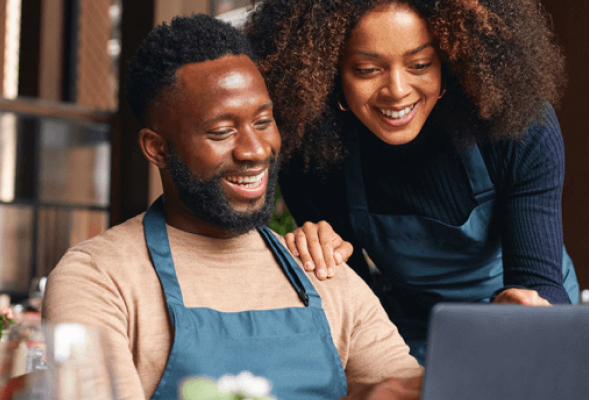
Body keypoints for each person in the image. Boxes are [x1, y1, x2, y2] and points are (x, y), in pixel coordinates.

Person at [43, 14, 422, 400]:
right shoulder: (98, 279)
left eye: (263, 121)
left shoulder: (322, 271)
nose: (255, 151)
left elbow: (413, 389)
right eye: (222, 132)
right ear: (156, 148)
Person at [245, 0, 579, 362]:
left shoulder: (517, 128)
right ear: (330, 71)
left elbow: (540, 283)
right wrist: (318, 255)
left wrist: (528, 309)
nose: (397, 90)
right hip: (413, 326)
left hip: (522, 312)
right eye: (367, 69)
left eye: (420, 65)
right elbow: (354, 301)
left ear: (449, 61)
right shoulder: (314, 152)